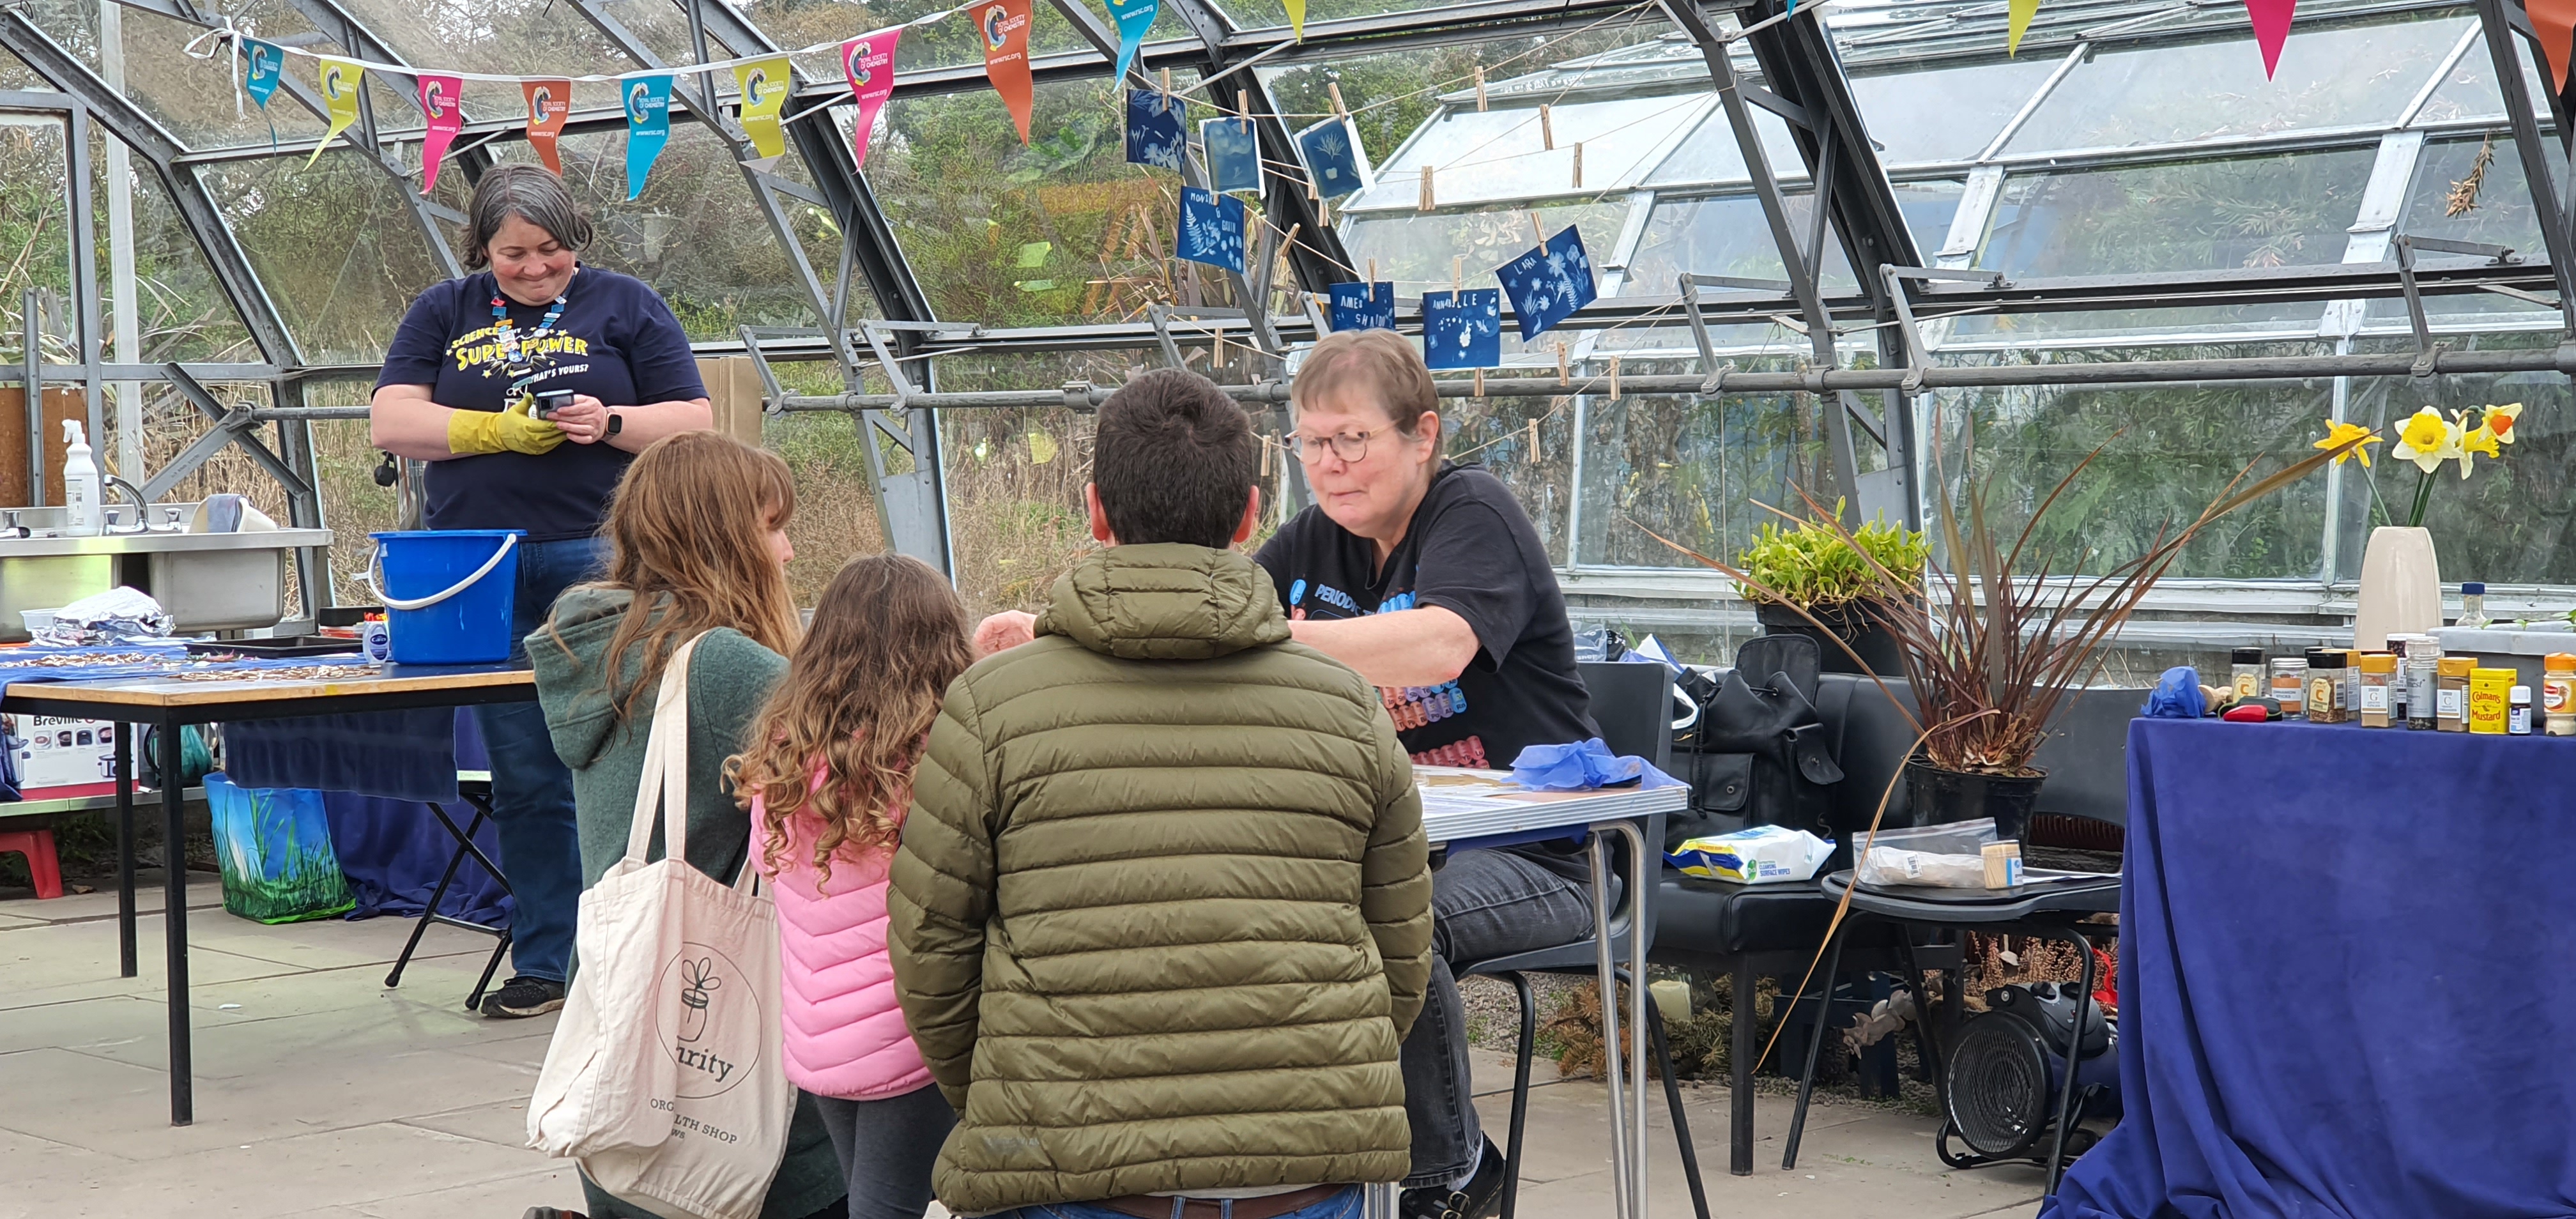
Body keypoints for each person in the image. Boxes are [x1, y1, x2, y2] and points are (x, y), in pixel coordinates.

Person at [977, 331, 1607, 1219]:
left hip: (1540, 854)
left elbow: (1439, 643)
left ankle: (1448, 1175)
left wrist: (1271, 633)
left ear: (1422, 435)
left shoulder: (1473, 513)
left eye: (1353, 438)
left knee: (1396, 927)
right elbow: (1203, 612)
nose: (1331, 464)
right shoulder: (1316, 538)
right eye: (1311, 442)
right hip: (1406, 844)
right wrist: (1051, 630)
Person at [889, 368, 1434, 1219]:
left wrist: (1018, 1101)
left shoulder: (991, 706)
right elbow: (1400, 947)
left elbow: (930, 946)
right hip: (1298, 1180)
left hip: (1071, 1171)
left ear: (1096, 511)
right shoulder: (1347, 707)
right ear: (1250, 517)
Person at [372, 163, 714, 1020]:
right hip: (478, 568)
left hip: (602, 559)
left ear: (577, 238)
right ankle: (549, 963)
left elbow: (695, 419)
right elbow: (391, 421)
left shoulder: (626, 304)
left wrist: (610, 422)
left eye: (551, 249)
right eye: (513, 254)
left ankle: (637, 960)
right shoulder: (444, 310)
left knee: (625, 762)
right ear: (481, 250)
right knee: (525, 772)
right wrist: (490, 430)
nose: (534, 268)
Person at [527, 432, 845, 1219]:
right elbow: (864, 784)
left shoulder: (603, 644)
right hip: (733, 1043)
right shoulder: (726, 668)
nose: (788, 551)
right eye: (772, 528)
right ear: (725, 538)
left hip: (626, 1025)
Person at [728, 555, 970, 1219]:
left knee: (868, 1193)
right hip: (909, 1037)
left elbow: (770, 867)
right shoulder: (934, 766)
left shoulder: (784, 760)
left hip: (818, 1036)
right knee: (888, 1205)